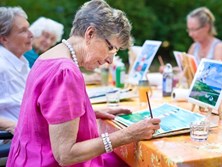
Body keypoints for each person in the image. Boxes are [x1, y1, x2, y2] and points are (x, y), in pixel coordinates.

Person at [7, 0, 161, 166]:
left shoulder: (48, 57)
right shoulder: (65, 71)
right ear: (90, 34)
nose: (110, 59)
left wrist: (86, 113)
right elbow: (65, 155)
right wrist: (127, 135)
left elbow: (43, 116)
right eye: (111, 48)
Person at [0, 6, 33, 122]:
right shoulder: (2, 66)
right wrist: (11, 126)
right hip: (12, 138)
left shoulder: (20, 61)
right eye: (23, 30)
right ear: (4, 39)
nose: (31, 34)